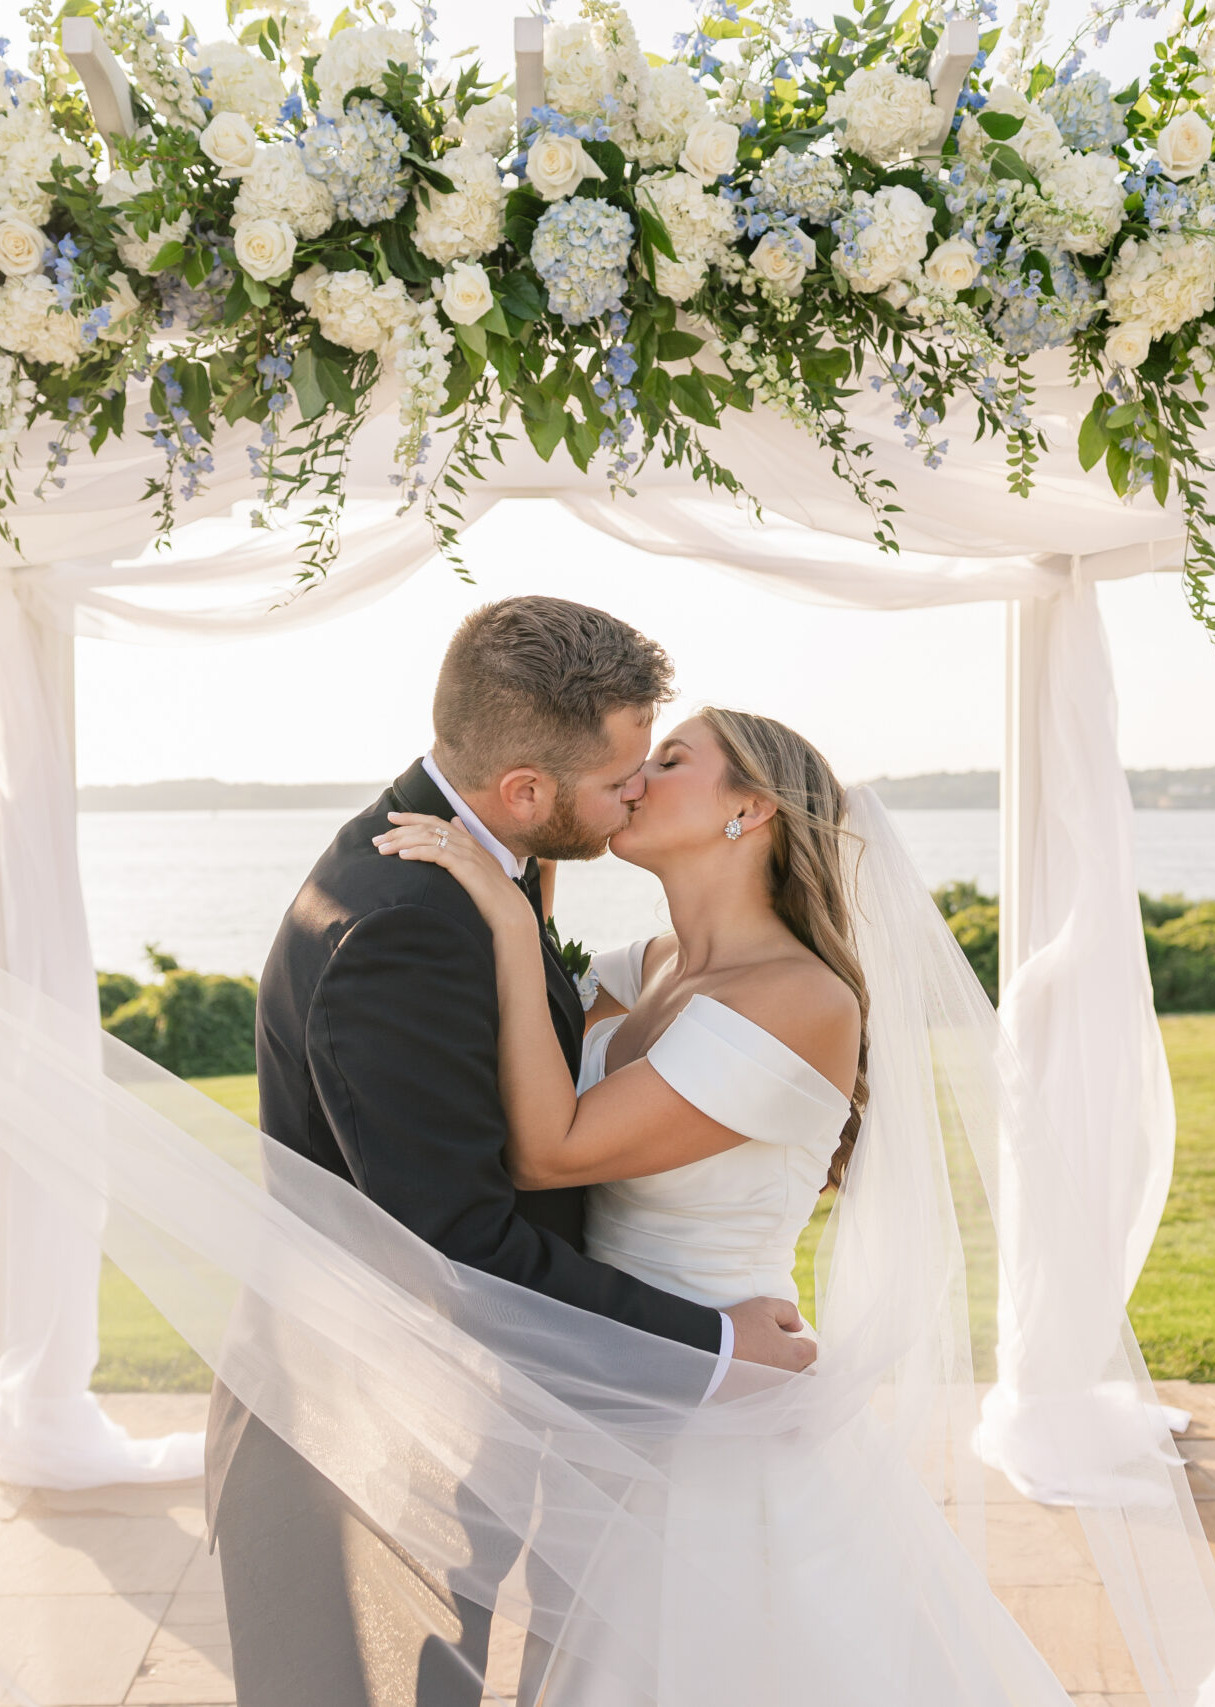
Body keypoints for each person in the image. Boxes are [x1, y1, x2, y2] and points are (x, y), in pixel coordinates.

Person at [376, 705, 1080, 1707]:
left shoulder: (796, 999)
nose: (632, 779)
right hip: (615, 1380)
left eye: (668, 761)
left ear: (747, 809)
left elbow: (548, 1147)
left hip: (721, 1405)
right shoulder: (649, 968)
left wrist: (502, 912)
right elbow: (521, 1064)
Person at [208, 598, 816, 1707]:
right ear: (526, 791)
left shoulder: (466, 870)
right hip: (365, 1432)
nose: (636, 791)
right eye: (626, 774)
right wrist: (713, 1348)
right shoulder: (408, 918)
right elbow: (456, 1243)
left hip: (470, 1410)